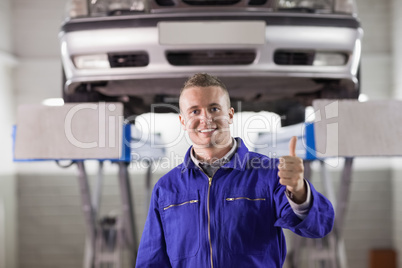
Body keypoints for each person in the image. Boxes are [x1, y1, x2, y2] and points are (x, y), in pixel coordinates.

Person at [135, 73, 334, 268]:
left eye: (214, 108)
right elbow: (151, 260)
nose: (206, 118)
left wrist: (299, 191)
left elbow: (318, 226)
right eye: (194, 111)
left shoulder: (269, 174)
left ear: (230, 115)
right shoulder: (167, 188)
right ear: (183, 121)